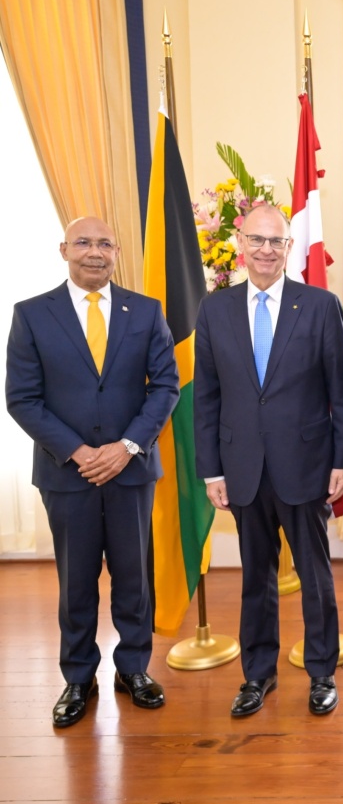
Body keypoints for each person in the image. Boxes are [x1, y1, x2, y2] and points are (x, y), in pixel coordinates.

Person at [6, 216, 179, 728]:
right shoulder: (32, 314)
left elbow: (165, 387)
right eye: (84, 242)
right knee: (75, 582)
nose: (95, 252)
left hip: (131, 472)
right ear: (64, 250)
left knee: (134, 578)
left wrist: (127, 447)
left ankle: (133, 669)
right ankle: (78, 678)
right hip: (68, 475)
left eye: (105, 243)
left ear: (117, 251)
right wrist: (82, 452)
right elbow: (22, 399)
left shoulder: (146, 312)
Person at [193, 204, 343, 717]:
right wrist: (211, 468)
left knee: (315, 574)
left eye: (275, 242)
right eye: (256, 240)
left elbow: (340, 394)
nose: (265, 250)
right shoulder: (215, 309)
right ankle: (258, 675)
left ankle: (322, 670)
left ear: (289, 249)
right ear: (239, 245)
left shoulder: (321, 305)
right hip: (242, 468)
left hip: (306, 464)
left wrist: (342, 461)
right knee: (254, 576)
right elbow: (207, 396)